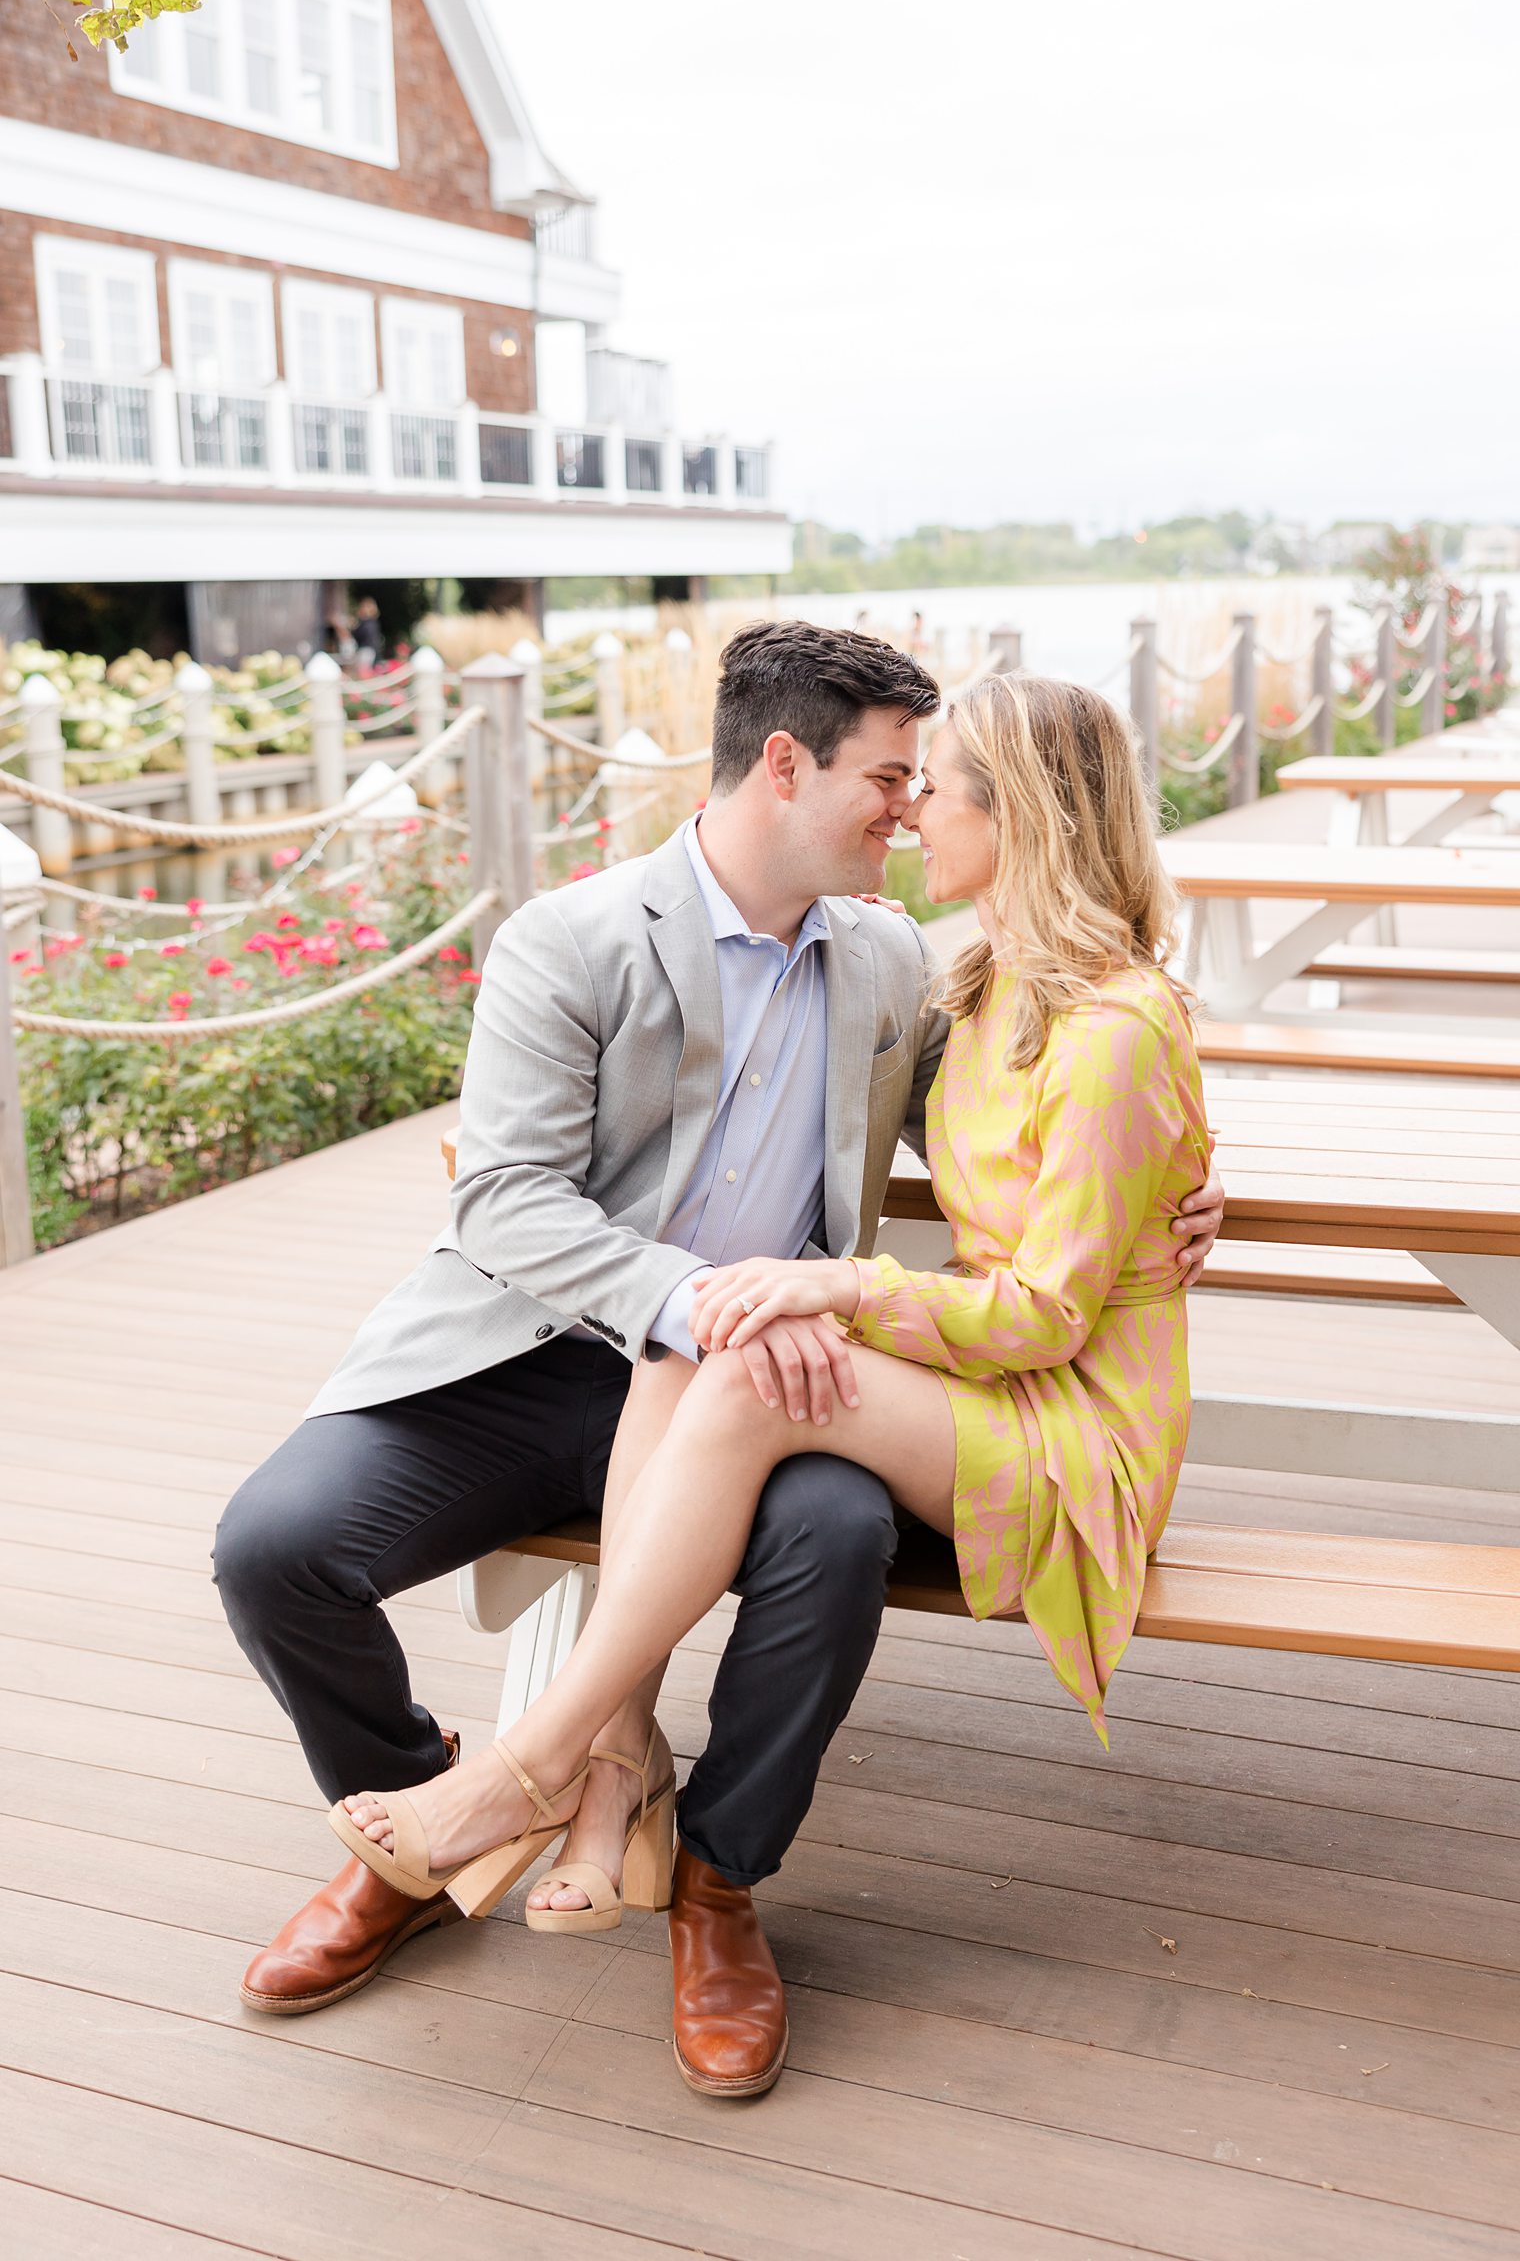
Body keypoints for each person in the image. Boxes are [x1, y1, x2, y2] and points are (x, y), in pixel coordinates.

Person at [214, 626, 1223, 2096]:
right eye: (888, 778)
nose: (902, 807)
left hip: (769, 1373)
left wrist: (1195, 1181)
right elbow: (499, 1200)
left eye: (925, 783)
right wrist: (710, 1297)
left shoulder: (895, 962)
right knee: (274, 1548)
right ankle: (436, 1818)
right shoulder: (573, 938)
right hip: (547, 1357)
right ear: (782, 762)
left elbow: (1096, 1090)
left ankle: (715, 1884)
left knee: (836, 1539)